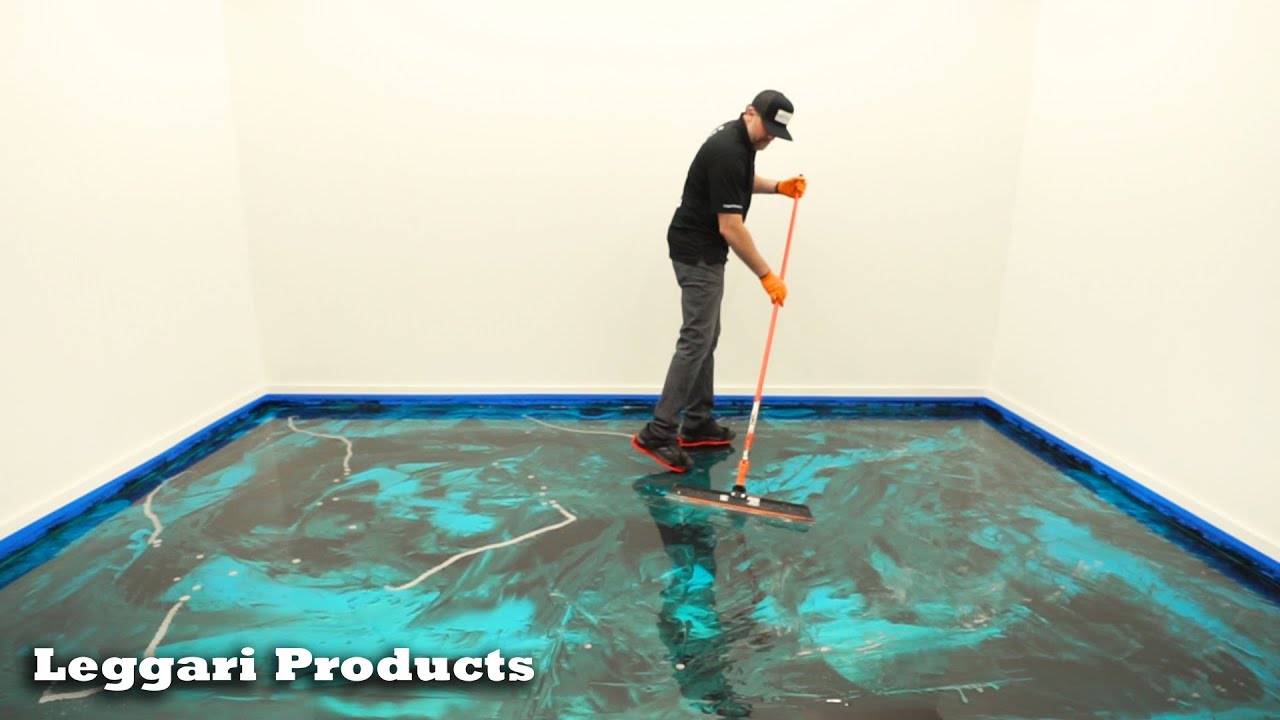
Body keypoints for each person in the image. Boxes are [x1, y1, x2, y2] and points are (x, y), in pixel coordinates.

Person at [632, 89, 807, 473]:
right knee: (696, 339)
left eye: (777, 133)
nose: (770, 137)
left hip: (702, 249)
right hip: (698, 252)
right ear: (750, 112)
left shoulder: (740, 142)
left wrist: (777, 186)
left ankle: (697, 424)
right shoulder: (729, 150)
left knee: (706, 336)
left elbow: (736, 182)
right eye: (768, 127)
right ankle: (659, 431)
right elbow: (731, 227)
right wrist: (767, 275)